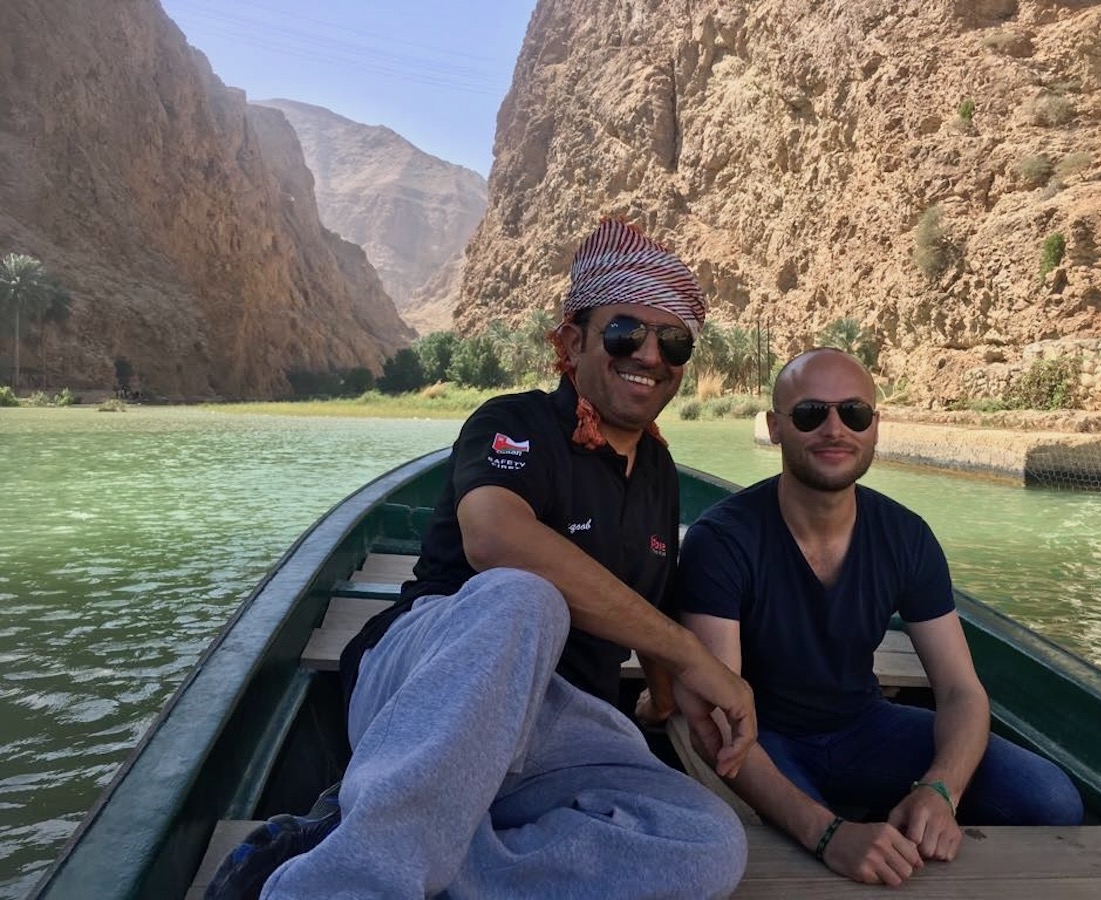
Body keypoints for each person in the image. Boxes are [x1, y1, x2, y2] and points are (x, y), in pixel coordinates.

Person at [207, 219, 755, 899]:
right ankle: (340, 885)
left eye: (672, 341)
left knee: (706, 843)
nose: (650, 353)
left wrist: (670, 697)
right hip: (430, 684)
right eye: (625, 333)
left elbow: (644, 611)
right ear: (574, 340)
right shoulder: (514, 423)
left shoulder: (660, 472)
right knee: (525, 596)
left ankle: (356, 840)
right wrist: (696, 654)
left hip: (557, 723)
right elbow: (494, 539)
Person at [676, 347, 1083, 887]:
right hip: (766, 736)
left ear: (875, 427)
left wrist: (940, 789)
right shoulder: (722, 541)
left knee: (1051, 799)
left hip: (864, 725)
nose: (834, 428)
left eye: (855, 413)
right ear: (776, 428)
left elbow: (962, 691)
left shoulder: (905, 536)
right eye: (809, 414)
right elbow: (723, 721)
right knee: (806, 859)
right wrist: (827, 834)